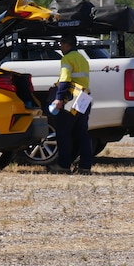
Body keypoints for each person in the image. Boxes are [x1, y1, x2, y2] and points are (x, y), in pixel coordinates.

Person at [49, 33, 93, 174]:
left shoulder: (67, 59)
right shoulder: (82, 58)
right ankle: (85, 166)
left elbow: (65, 80)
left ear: (66, 44)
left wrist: (59, 98)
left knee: (63, 132)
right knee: (82, 133)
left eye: (61, 44)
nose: (60, 47)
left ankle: (63, 166)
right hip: (84, 97)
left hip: (73, 99)